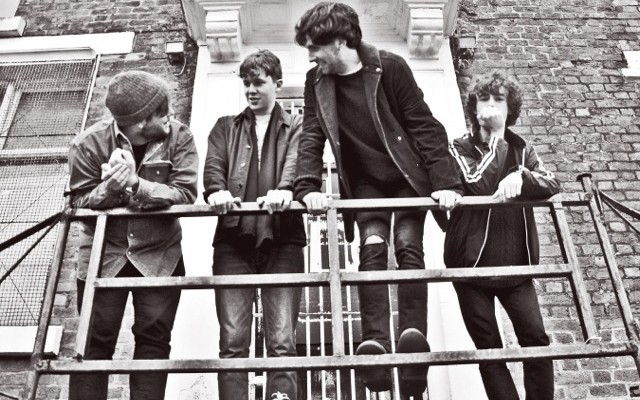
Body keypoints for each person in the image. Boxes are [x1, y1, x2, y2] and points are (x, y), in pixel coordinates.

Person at [293, 2, 463, 397]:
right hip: (365, 182)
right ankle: (375, 347)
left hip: (405, 176)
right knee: (371, 250)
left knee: (407, 247)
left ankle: (413, 343)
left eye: (315, 47)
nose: (312, 56)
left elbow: (424, 126)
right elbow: (312, 136)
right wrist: (308, 187)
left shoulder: (390, 66)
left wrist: (446, 183)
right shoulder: (316, 81)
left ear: (339, 41)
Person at [67, 70, 198, 399]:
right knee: (93, 342)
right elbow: (78, 204)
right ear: (139, 121)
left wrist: (136, 184)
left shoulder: (180, 137)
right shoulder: (88, 144)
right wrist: (110, 188)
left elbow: (185, 194)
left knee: (154, 342)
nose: (170, 114)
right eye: (161, 110)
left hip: (160, 254)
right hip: (103, 254)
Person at [445, 71, 559, 400]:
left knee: (536, 341)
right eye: (485, 99)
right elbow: (478, 183)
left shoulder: (522, 149)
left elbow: (552, 182)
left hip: (516, 268)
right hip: (471, 268)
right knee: (489, 350)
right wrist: (496, 137)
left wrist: (522, 176)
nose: (492, 106)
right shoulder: (459, 147)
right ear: (474, 107)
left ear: (511, 109)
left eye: (499, 100)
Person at [203, 50, 305, 400]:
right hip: (233, 239)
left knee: (282, 340)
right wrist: (216, 191)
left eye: (258, 82)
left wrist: (286, 189)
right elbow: (213, 168)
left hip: (284, 239)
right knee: (232, 340)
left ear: (278, 84)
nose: (250, 89)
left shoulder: (298, 125)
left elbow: (298, 163)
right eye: (246, 83)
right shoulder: (224, 127)